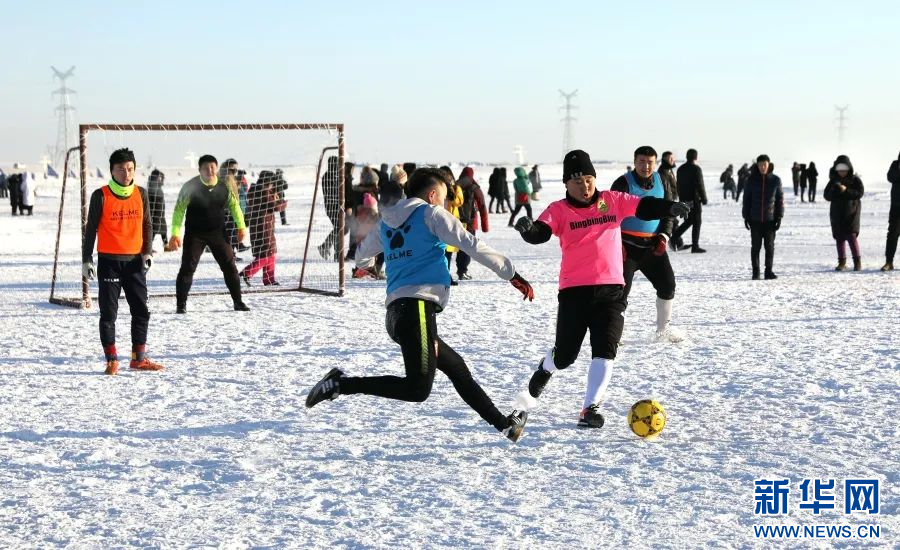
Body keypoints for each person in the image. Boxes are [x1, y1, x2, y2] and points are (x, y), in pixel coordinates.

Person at [306, 168, 535, 443]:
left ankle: (506, 426)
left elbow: (363, 257)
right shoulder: (431, 214)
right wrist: (511, 274)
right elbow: (470, 244)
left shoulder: (386, 222)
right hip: (417, 311)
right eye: (443, 197)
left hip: (397, 314)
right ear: (432, 194)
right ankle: (341, 384)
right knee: (417, 389)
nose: (445, 203)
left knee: (457, 369)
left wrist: (382, 264)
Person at [514, 150, 690, 428]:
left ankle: (589, 408)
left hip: (611, 290)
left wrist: (668, 208)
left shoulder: (612, 201)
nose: (584, 186)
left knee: (606, 348)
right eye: (577, 182)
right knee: (566, 356)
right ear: (566, 185)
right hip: (574, 292)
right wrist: (528, 230)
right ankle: (547, 366)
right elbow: (541, 231)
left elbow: (643, 206)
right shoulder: (559, 210)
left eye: (588, 179)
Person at [81, 148, 163, 375]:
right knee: (109, 314)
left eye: (130, 169)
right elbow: (91, 231)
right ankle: (111, 359)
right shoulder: (101, 195)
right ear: (112, 171)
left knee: (141, 311)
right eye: (121, 169)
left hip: (135, 262)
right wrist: (86, 259)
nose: (126, 173)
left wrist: (147, 252)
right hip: (109, 262)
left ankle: (138, 359)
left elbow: (147, 224)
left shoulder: (141, 193)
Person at [611, 146, 682, 342]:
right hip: (626, 247)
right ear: (635, 162)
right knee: (619, 295)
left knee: (668, 285)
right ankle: (614, 335)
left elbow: (669, 210)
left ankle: (663, 331)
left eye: (650, 162)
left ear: (656, 163)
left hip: (652, 246)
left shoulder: (661, 180)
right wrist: (617, 244)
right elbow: (609, 217)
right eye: (642, 161)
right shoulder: (622, 183)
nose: (646, 166)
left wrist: (664, 236)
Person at [168, 154, 250, 313]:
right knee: (187, 268)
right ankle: (181, 305)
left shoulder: (224, 187)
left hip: (218, 233)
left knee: (230, 267)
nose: (209, 171)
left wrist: (241, 227)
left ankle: (238, 301)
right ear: (199, 170)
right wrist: (175, 233)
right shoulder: (190, 187)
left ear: (217, 168)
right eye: (205, 168)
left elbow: (235, 207)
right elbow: (179, 210)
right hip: (195, 234)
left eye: (212, 167)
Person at [742, 155, 784, 280]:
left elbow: (780, 200)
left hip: (770, 219)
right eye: (760, 165)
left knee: (769, 247)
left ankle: (768, 271)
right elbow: (746, 200)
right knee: (755, 247)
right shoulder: (751, 180)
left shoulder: (775, 180)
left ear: (769, 165)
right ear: (757, 165)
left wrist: (779, 217)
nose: (763, 167)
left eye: (765, 164)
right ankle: (756, 272)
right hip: (755, 219)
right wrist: (746, 216)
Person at [240, 171, 282, 286]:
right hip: (264, 227)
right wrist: (282, 202)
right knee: (266, 254)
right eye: (272, 183)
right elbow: (275, 206)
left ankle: (269, 279)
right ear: (267, 182)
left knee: (271, 253)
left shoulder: (257, 190)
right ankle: (246, 273)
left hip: (260, 226)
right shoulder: (262, 192)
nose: (273, 185)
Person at [823, 155, 864, 271]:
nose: (842, 172)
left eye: (844, 169)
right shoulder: (833, 181)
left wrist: (846, 190)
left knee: (851, 237)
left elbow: (859, 193)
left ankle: (857, 262)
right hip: (837, 214)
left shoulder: (855, 180)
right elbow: (826, 195)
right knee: (839, 238)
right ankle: (842, 262)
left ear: (849, 169)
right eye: (840, 169)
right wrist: (835, 191)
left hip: (852, 213)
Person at [454, 166, 489, 280]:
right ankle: (462, 271)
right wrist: (485, 226)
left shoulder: (454, 186)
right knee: (467, 247)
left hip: (454, 220)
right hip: (470, 223)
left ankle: (447, 272)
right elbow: (482, 207)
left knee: (450, 247)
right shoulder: (474, 188)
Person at [672, 148, 707, 253]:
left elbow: (678, 185)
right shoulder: (696, 169)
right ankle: (695, 246)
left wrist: (681, 198)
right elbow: (700, 185)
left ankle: (674, 238)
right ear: (696, 157)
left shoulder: (680, 169)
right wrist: (704, 198)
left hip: (685, 199)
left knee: (689, 221)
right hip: (695, 200)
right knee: (697, 222)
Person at [318, 156, 345, 261]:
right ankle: (325, 246)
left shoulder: (337, 175)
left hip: (338, 206)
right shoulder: (327, 176)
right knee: (339, 227)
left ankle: (337, 254)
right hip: (331, 206)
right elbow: (330, 193)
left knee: (339, 228)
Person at [658, 151, 681, 249]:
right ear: (665, 159)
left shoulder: (669, 170)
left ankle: (676, 242)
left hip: (672, 200)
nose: (673, 160)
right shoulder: (662, 171)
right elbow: (665, 189)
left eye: (673, 158)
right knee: (673, 222)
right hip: (666, 201)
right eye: (670, 159)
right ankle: (677, 243)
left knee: (673, 222)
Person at [881, 152, 899, 271]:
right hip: (896, 207)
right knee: (892, 235)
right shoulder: (895, 165)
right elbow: (890, 177)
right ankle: (889, 262)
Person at [147, 169, 168, 251]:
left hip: (160, 213)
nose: (161, 179)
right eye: (159, 177)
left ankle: (166, 245)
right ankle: (149, 247)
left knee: (164, 230)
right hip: (154, 214)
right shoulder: (152, 188)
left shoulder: (158, 187)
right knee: (153, 231)